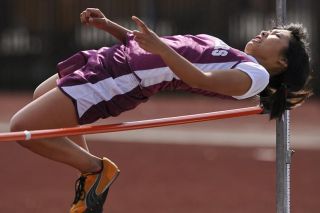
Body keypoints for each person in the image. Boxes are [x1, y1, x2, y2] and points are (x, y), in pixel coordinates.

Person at [10, 7, 312, 213]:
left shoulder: (255, 76)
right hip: (112, 59)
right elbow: (150, 48)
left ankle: (95, 169)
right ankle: (92, 172)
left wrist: (159, 47)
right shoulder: (226, 49)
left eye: (275, 37)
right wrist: (110, 27)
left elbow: (197, 77)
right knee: (40, 95)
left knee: (23, 129)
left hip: (118, 79)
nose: (264, 32)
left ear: (283, 63)